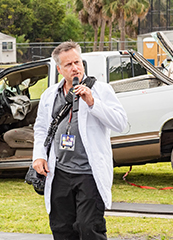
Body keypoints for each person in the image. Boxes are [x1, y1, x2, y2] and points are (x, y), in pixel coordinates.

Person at [32, 41, 128, 239]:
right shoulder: (50, 95)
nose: (74, 68)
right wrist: (39, 156)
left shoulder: (101, 90)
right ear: (59, 69)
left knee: (88, 227)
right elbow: (41, 128)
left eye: (77, 62)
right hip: (59, 172)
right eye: (68, 65)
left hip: (89, 173)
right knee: (61, 227)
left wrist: (93, 102)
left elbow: (121, 123)